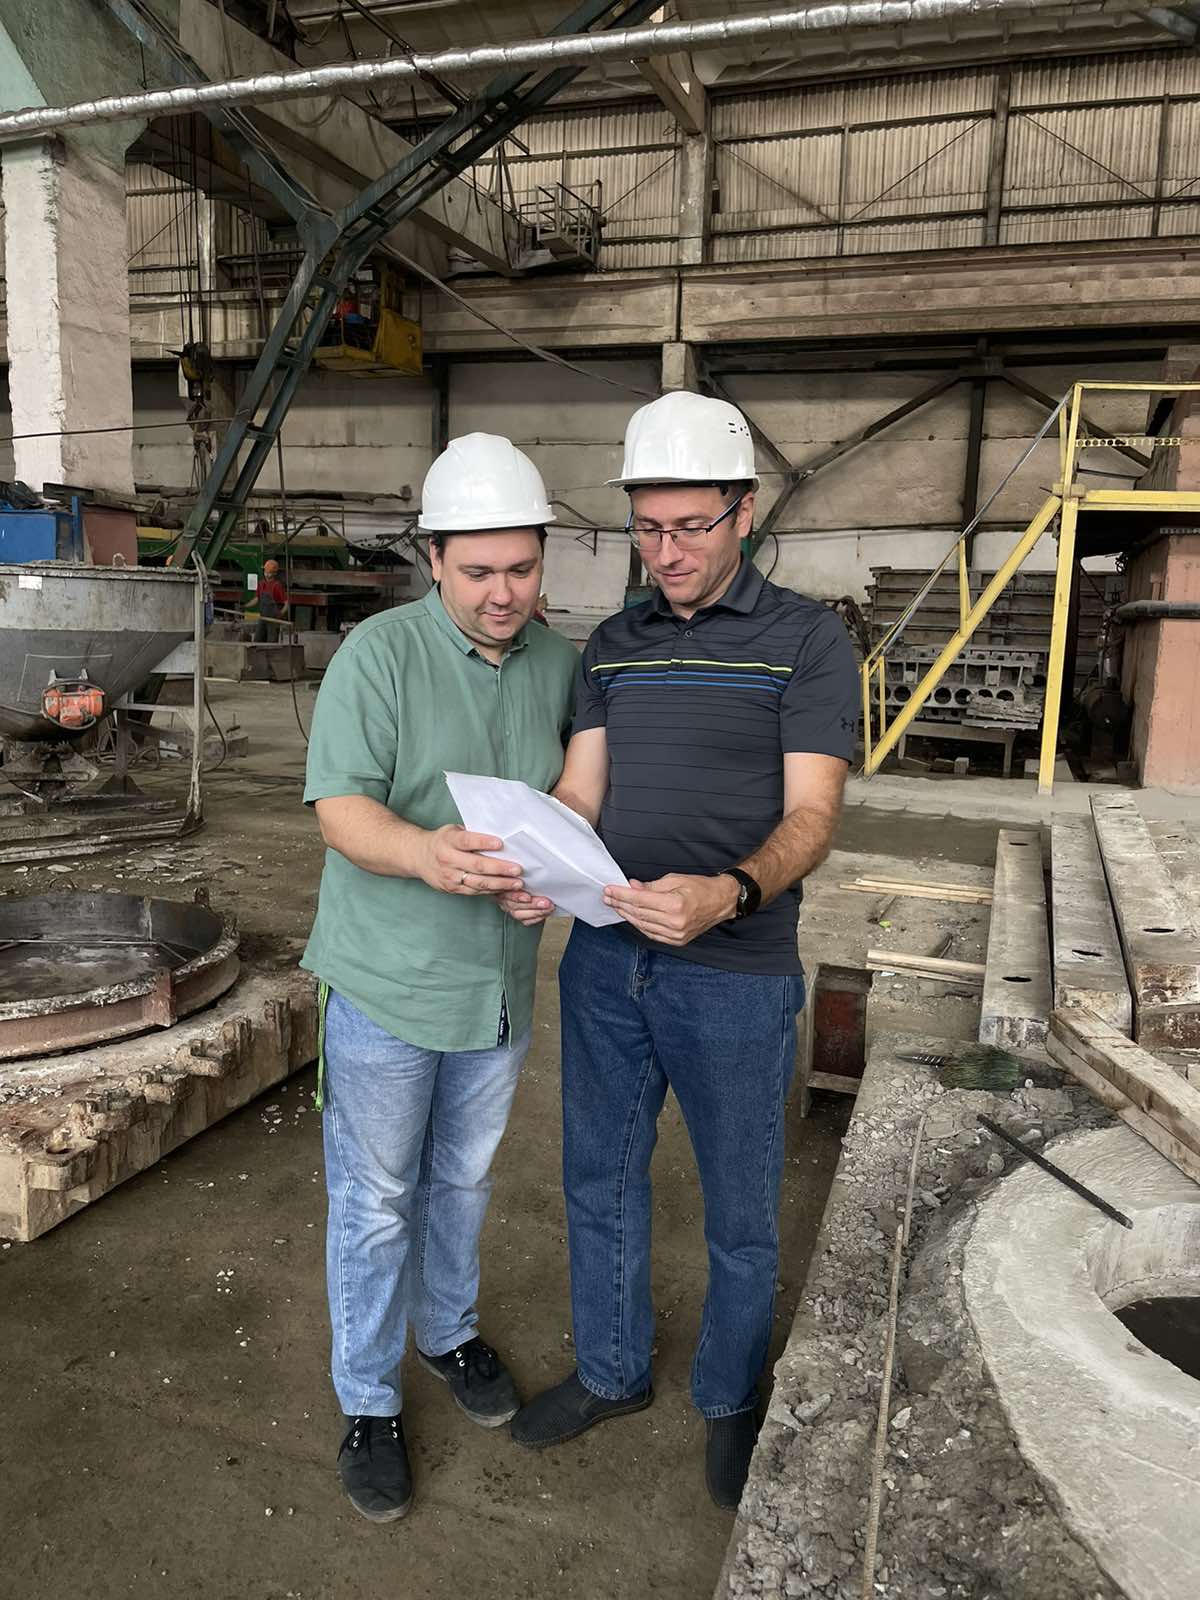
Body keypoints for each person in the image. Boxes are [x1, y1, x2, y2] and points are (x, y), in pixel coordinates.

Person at [501, 391, 859, 1509]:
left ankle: (730, 1392)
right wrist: (541, 854)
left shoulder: (807, 641)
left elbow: (813, 816)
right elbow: (582, 788)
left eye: (691, 526)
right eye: (648, 528)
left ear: (744, 512)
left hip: (736, 978)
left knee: (741, 1210)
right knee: (597, 1178)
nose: (667, 552)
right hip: (608, 962)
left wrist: (730, 893)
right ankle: (611, 1372)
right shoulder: (614, 643)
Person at [301, 433, 579, 1523]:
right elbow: (341, 808)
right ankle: (368, 1399)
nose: (502, 593)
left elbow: (567, 802)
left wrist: (550, 873)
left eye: (521, 568)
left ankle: (448, 1333)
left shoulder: (558, 664)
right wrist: (426, 852)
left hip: (497, 989)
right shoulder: (379, 656)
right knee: (376, 1201)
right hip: (389, 985)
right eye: (477, 571)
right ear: (432, 559)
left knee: (461, 1181)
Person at [253, 558, 287, 643]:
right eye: (266, 572)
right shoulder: (261, 584)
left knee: (271, 643)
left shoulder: (277, 585)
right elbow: (256, 599)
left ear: (275, 573)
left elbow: (287, 604)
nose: (267, 575)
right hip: (263, 617)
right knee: (257, 640)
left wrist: (280, 614)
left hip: (273, 619)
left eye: (269, 573)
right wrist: (245, 606)